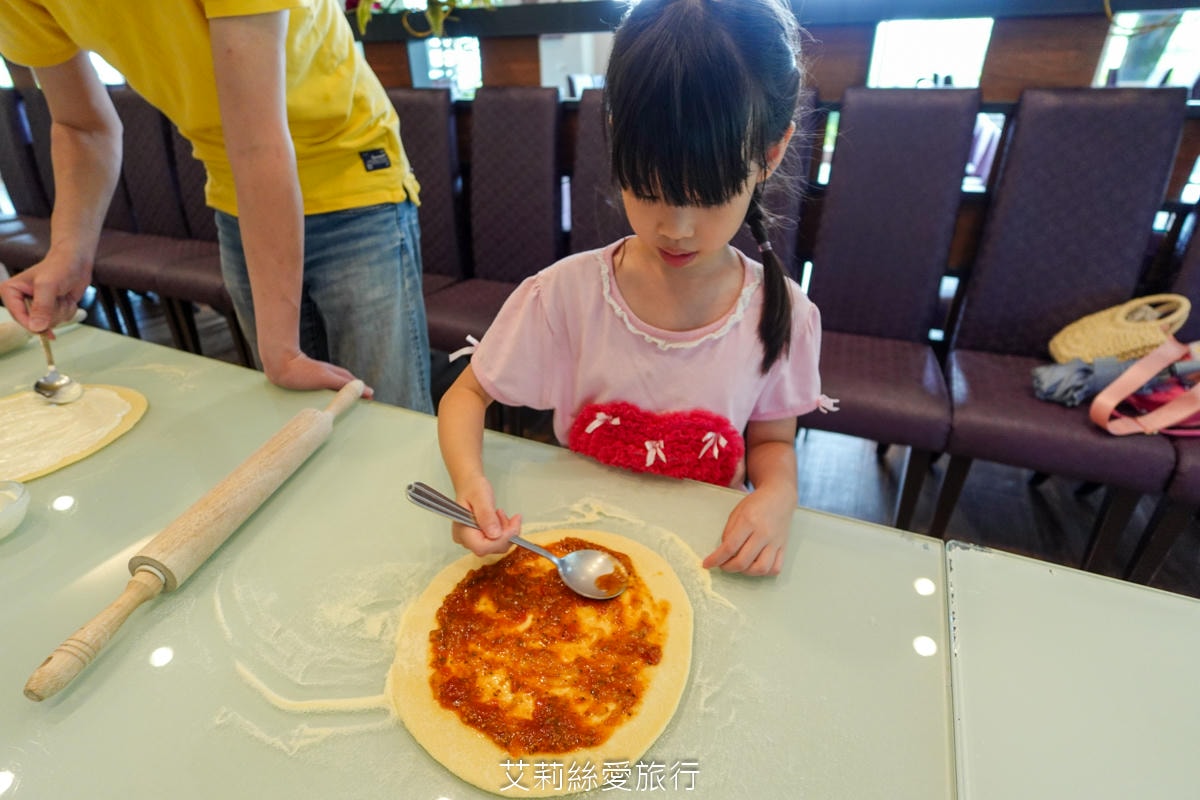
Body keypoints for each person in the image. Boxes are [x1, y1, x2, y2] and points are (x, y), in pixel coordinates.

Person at [437, 0, 831, 577]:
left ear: (770, 154)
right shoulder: (565, 294)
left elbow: (771, 443)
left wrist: (777, 495)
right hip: (581, 542)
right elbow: (465, 397)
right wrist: (470, 486)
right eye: (649, 190)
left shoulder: (781, 313)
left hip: (706, 558)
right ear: (618, 140)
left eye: (709, 197)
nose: (676, 227)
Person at [0, 0, 434, 412]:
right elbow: (81, 125)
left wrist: (281, 350)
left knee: (388, 413)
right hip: (235, 192)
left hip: (351, 172)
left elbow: (255, 139)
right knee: (296, 415)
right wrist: (68, 252)